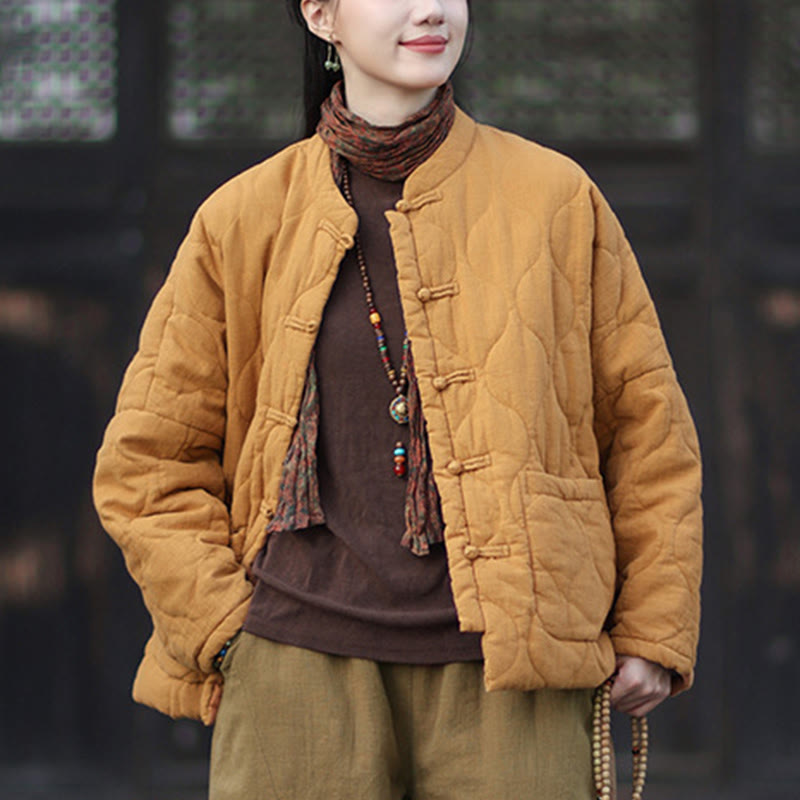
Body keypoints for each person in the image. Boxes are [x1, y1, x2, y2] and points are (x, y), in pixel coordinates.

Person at [93, 1, 703, 798]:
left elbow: (648, 433)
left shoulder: (555, 199)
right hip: (293, 667)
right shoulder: (242, 218)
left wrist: (654, 627)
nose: (431, 9)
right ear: (320, 14)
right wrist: (224, 629)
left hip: (516, 671)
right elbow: (148, 460)